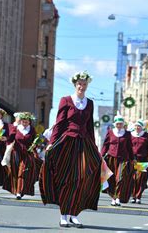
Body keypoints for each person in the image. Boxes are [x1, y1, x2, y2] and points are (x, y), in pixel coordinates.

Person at [40, 71, 102, 228]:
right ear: (75, 85)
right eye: (79, 84)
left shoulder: (90, 103)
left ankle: (74, 214)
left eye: (84, 84)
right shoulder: (66, 100)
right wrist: (51, 143)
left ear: (87, 86)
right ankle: (63, 215)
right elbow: (59, 123)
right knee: (66, 179)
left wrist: (94, 147)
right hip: (67, 143)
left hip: (83, 144)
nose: (82, 86)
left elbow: (89, 127)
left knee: (82, 179)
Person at [101, 112, 134, 207]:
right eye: (117, 124)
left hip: (124, 159)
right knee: (111, 179)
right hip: (111, 159)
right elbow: (105, 145)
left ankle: (118, 198)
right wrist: (101, 156)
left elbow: (129, 147)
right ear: (115, 124)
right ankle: (113, 198)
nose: (119, 125)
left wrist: (132, 159)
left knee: (120, 178)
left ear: (123, 124)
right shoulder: (110, 132)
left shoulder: (127, 134)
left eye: (121, 124)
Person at [3, 112, 38, 199]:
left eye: (26, 122)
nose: (25, 123)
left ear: (29, 122)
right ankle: (16, 190)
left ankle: (19, 191)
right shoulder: (15, 128)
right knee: (15, 173)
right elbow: (10, 139)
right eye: (23, 121)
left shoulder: (32, 129)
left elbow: (36, 141)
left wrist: (35, 145)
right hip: (16, 153)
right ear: (20, 121)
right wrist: (5, 138)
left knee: (22, 172)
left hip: (27, 154)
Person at [130, 120, 148, 204]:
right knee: (133, 179)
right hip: (132, 160)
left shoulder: (146, 136)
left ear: (142, 127)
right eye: (136, 126)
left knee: (140, 179)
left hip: (143, 160)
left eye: (139, 126)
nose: (137, 128)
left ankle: (138, 196)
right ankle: (133, 196)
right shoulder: (130, 135)